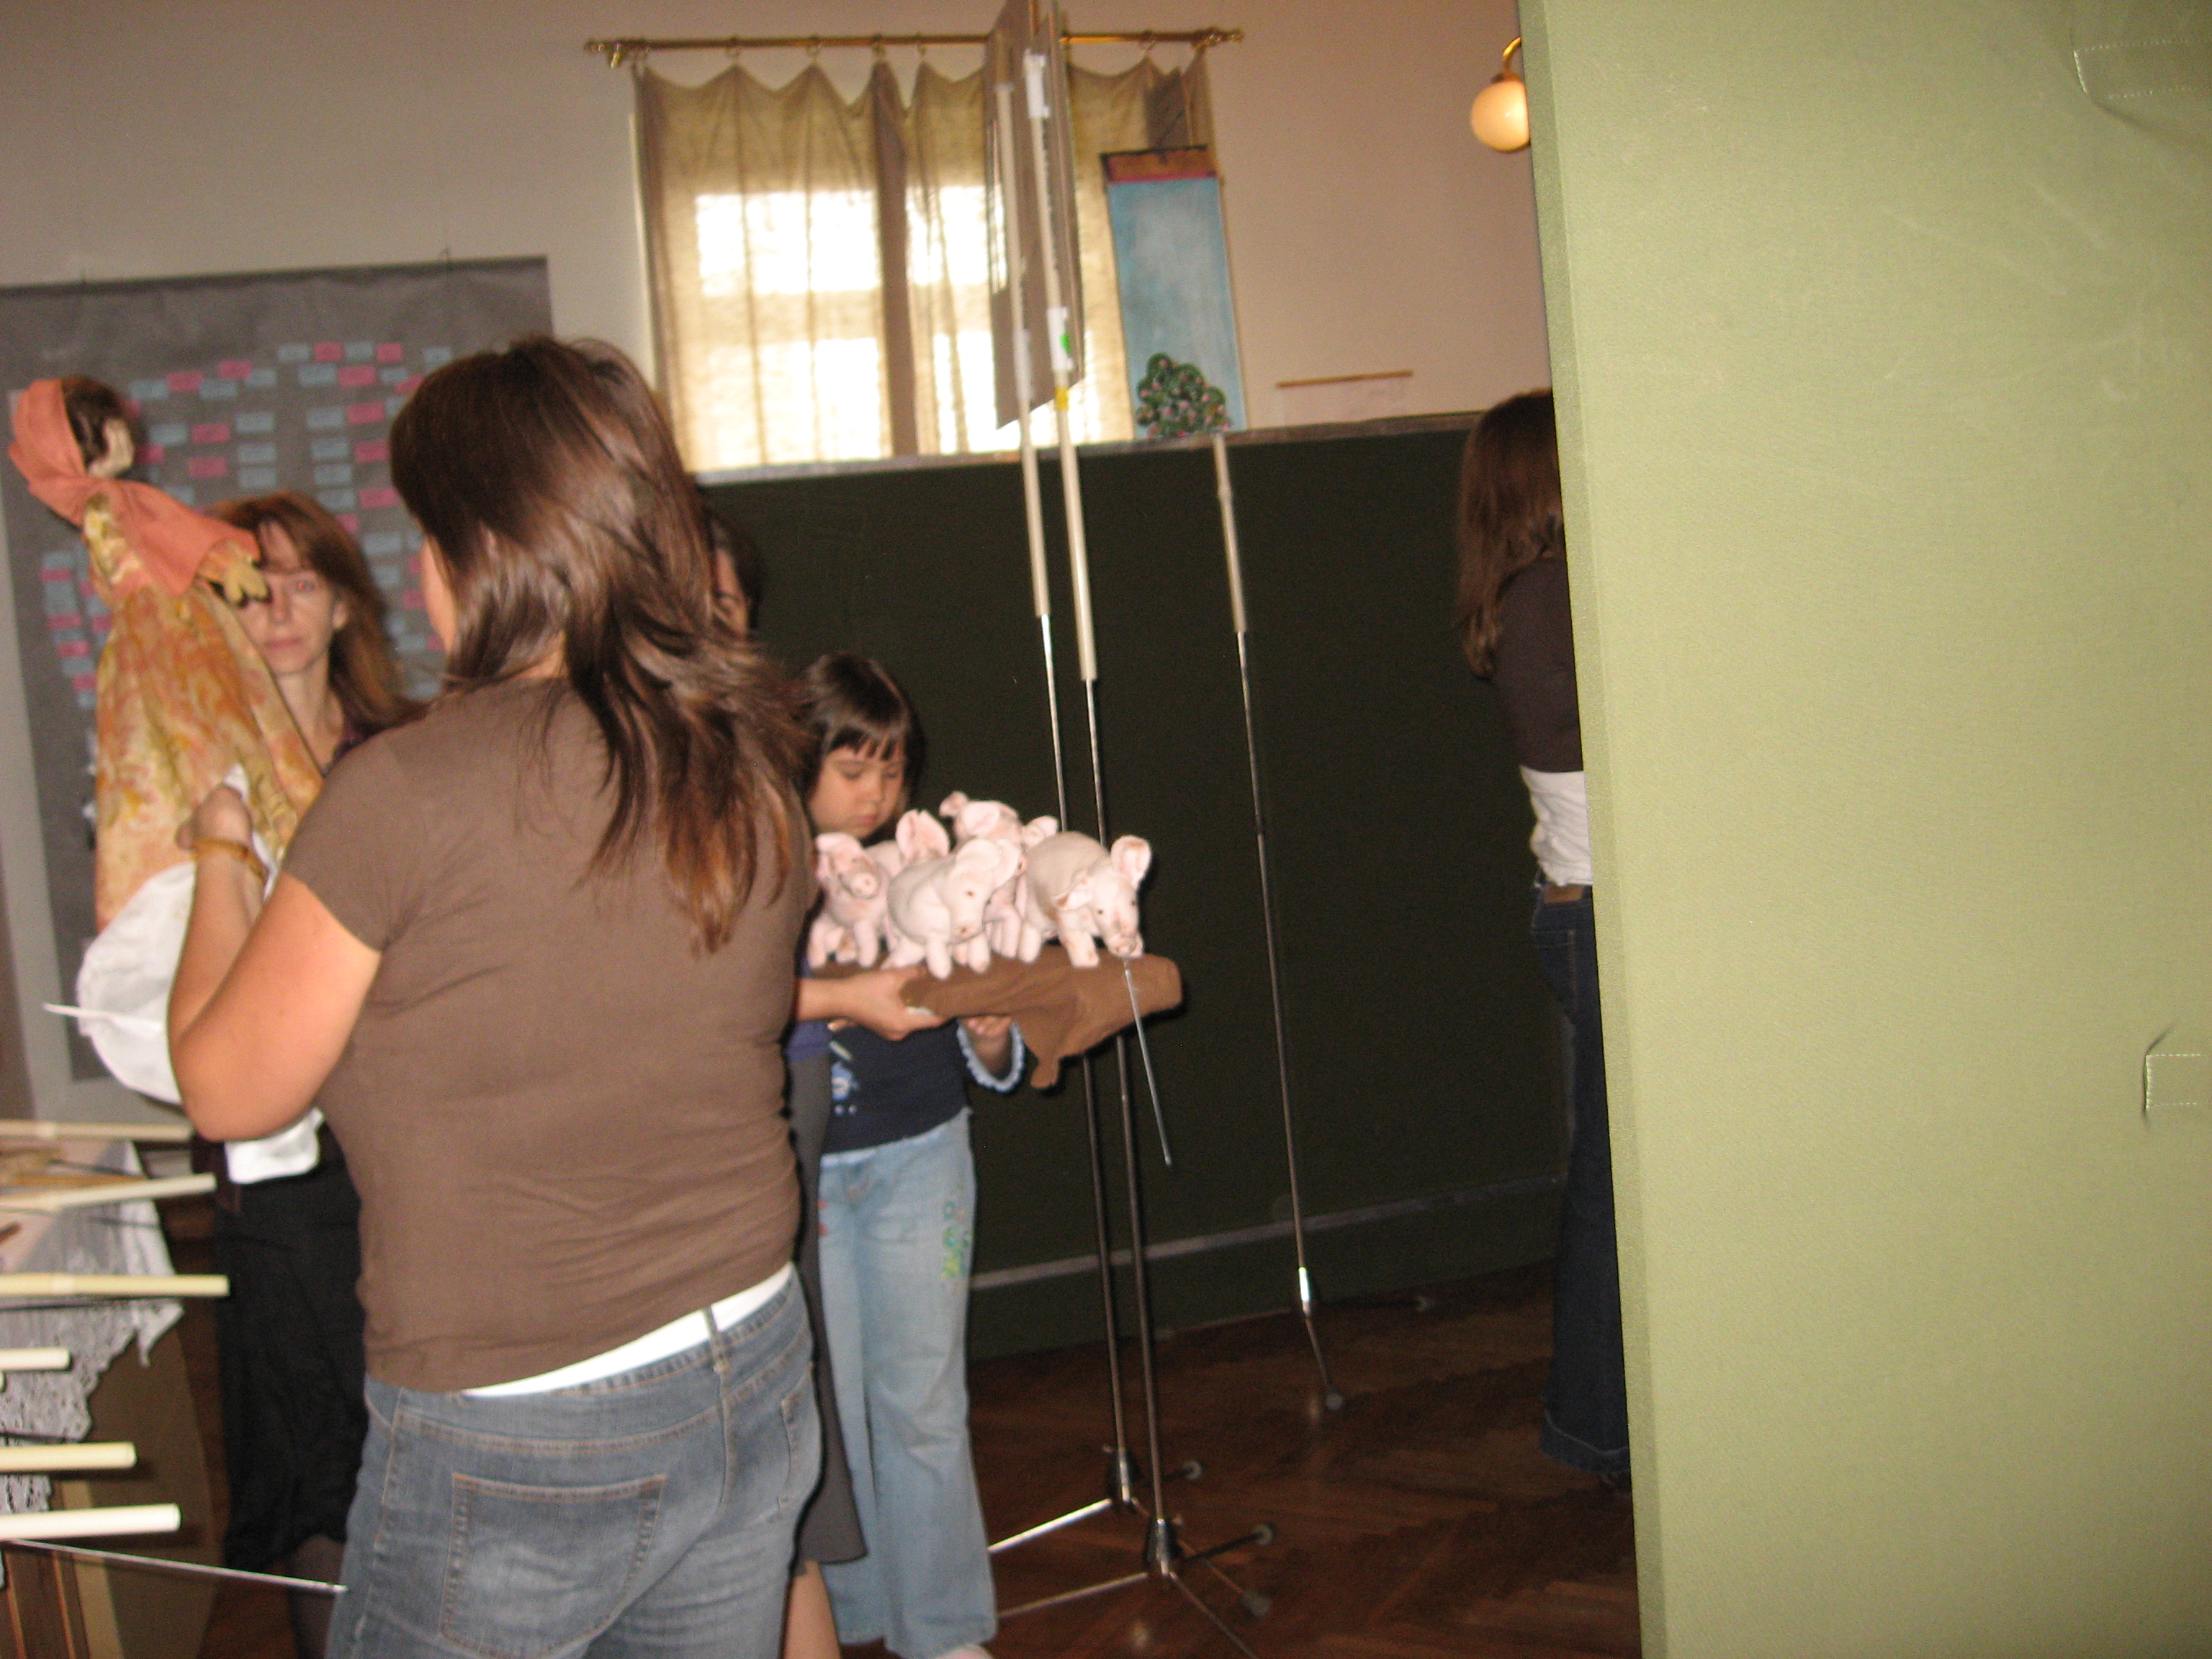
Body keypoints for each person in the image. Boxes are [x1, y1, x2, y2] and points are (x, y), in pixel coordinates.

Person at [169, 336, 822, 1658]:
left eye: (427, 532)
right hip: (751, 1363)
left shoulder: (403, 794)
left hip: (522, 1427)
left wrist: (219, 855)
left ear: (482, 553)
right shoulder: (748, 756)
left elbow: (226, 1088)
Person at [199, 491, 414, 1656]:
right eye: (251, 588)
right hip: (277, 1171)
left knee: (421, 1463)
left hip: (406, 1156)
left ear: (343, 604)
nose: (278, 609)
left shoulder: (403, 757)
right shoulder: (184, 771)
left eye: (301, 582)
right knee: (317, 1481)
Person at [796, 653, 1020, 1659]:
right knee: (832, 1411)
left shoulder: (924, 875)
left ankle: (944, 1629)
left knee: (923, 1401)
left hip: (924, 1151)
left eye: (891, 771)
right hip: (812, 1174)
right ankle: (853, 1616)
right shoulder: (766, 878)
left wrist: (993, 1041)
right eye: (853, 770)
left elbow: (994, 1045)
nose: (876, 794)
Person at [1455, 390, 1629, 1484]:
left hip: (1589, 914)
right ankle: (1596, 1428)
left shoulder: (1528, 599)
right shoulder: (1555, 600)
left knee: (1613, 1184)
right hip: (1603, 920)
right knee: (1613, 1192)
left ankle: (1599, 1425)